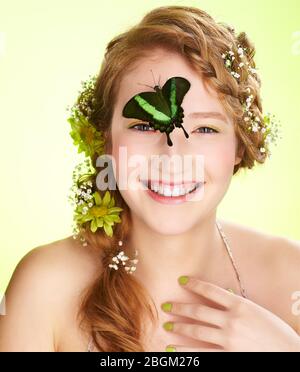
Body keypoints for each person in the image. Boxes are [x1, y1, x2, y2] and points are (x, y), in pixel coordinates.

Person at [0, 5, 299, 352]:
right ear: (106, 140)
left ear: (239, 144)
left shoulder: (291, 277)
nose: (173, 157)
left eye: (205, 128)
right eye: (143, 125)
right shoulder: (44, 288)